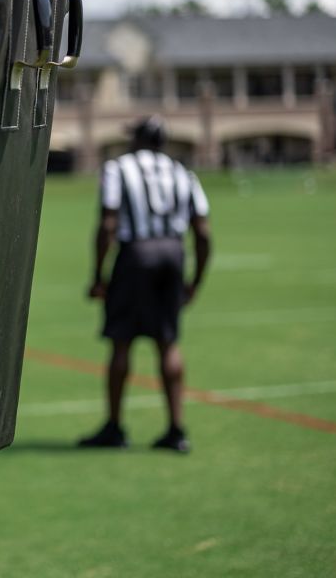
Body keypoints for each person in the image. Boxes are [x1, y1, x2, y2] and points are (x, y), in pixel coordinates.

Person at [79, 116, 212, 454]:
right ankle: (177, 429)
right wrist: (195, 280)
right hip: (173, 252)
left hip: (136, 255)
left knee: (121, 342)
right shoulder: (182, 172)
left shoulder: (118, 169)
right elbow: (203, 231)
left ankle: (114, 426)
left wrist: (98, 276)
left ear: (137, 140)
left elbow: (108, 223)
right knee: (167, 341)